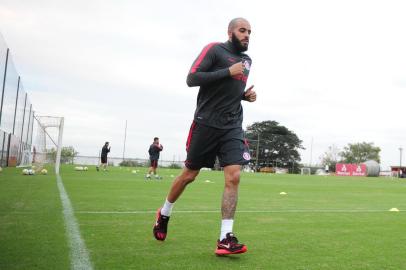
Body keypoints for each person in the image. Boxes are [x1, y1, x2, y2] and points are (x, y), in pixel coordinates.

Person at [153, 17, 257, 256]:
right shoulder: (214, 50)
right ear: (230, 32)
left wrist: (244, 96)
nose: (247, 35)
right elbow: (192, 79)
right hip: (206, 124)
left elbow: (229, 91)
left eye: (250, 32)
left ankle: (225, 238)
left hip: (232, 125)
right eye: (242, 30)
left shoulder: (247, 61)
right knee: (189, 175)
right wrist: (227, 71)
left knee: (234, 176)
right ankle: (165, 213)